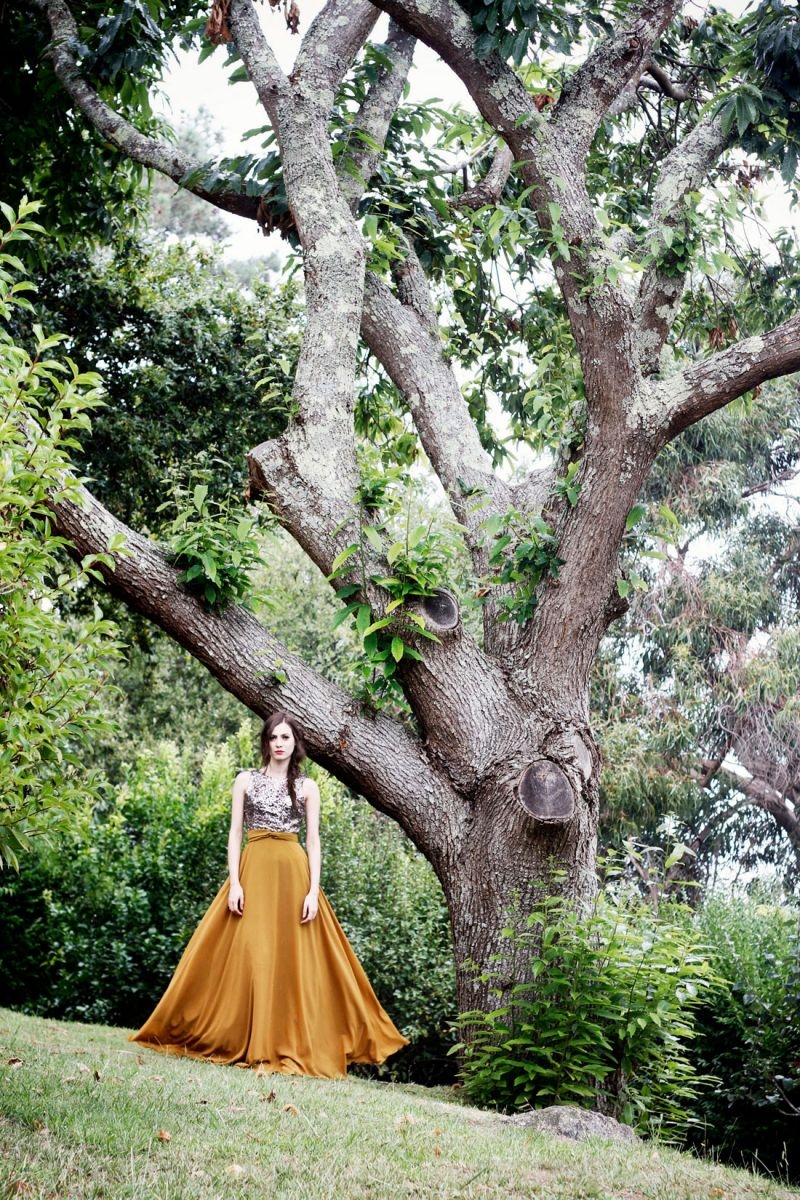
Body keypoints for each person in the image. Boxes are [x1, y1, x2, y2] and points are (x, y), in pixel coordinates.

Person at [131, 711, 408, 1077]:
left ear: (296, 746)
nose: (280, 743)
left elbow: (313, 842)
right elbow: (234, 835)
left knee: (293, 962)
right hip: (254, 870)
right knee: (252, 954)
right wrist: (235, 882)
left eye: (286, 738)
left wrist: (313, 891)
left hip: (293, 876)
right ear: (266, 742)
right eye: (274, 737)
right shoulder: (244, 780)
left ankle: (284, 1042)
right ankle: (240, 1037)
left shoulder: (308, 787)